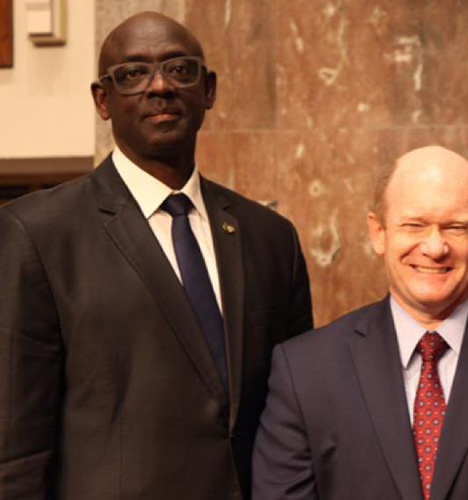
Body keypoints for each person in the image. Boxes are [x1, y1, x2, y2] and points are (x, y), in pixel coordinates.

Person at [0, 12, 313, 499]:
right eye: (133, 74)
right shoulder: (39, 233)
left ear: (208, 90)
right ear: (103, 101)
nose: (160, 86)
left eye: (179, 69)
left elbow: (299, 416)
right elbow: (16, 449)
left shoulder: (271, 238)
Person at [252, 145, 468, 500]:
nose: (435, 247)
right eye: (414, 225)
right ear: (378, 233)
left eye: (455, 227)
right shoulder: (304, 371)